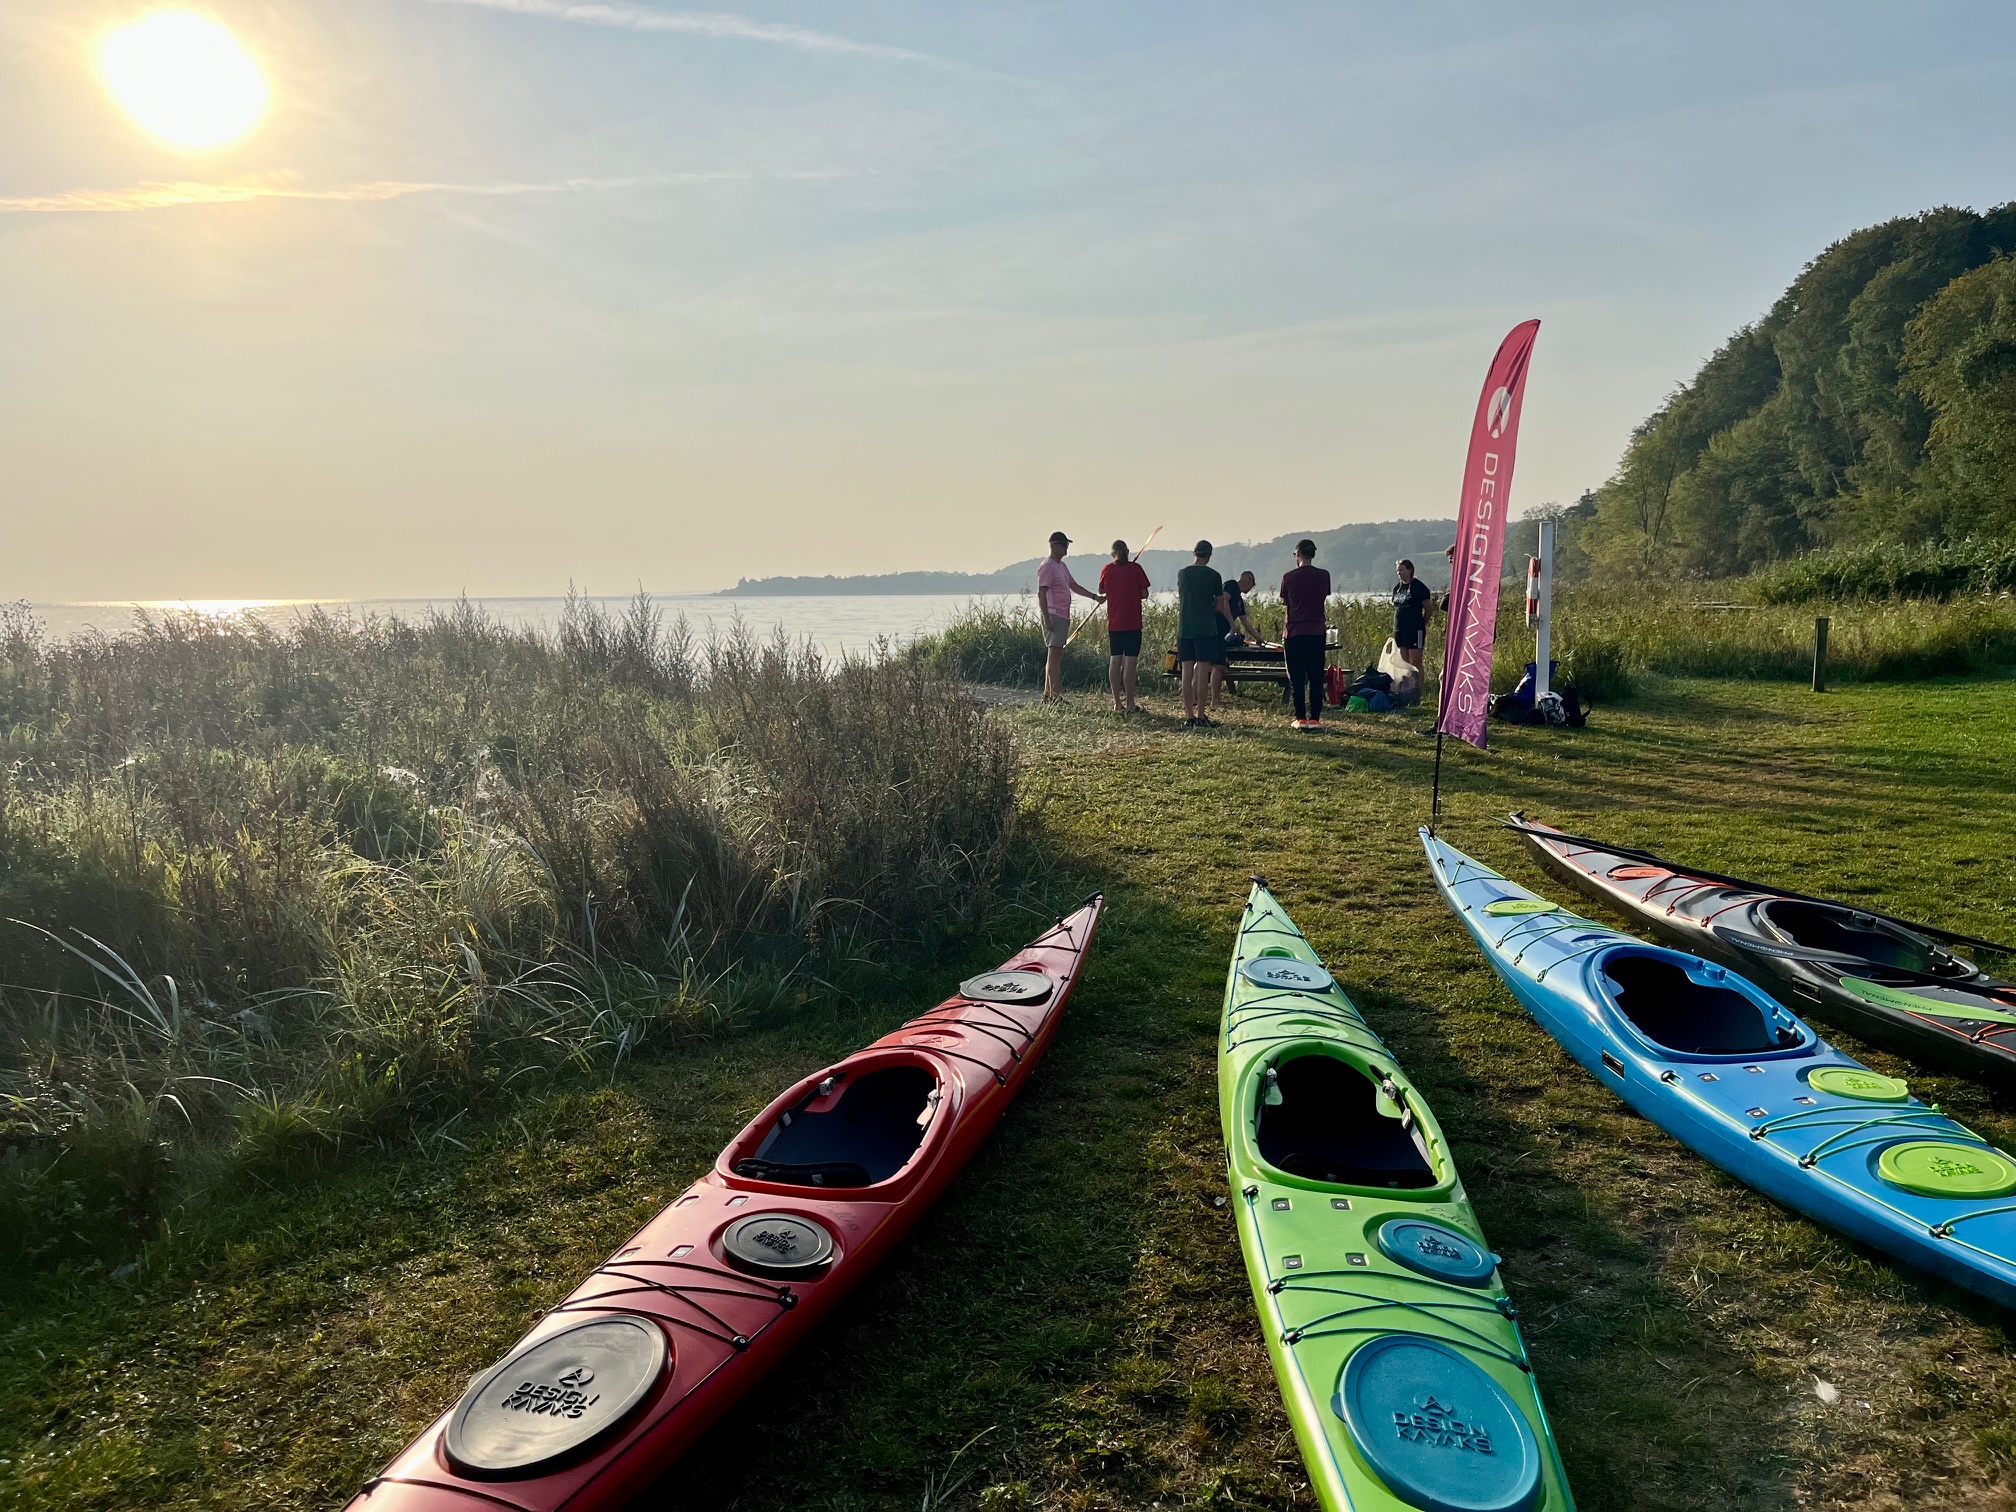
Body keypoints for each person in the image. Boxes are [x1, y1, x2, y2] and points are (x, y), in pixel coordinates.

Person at [1037, 530, 1103, 702]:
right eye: (1064, 544)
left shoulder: (1061, 567)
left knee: (1055, 656)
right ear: (1054, 546)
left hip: (1062, 615)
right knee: (1054, 655)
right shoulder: (1047, 567)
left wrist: (1094, 597)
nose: (1067, 548)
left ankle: (1047, 694)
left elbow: (1073, 585)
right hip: (1054, 615)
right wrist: (1046, 618)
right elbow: (1041, 594)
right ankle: (1055, 696)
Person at [1280, 539, 1331, 729]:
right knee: (1316, 676)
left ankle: (1300, 717)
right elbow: (1322, 597)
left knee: (1297, 677)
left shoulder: (1288, 577)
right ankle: (1315, 718)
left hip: (1294, 631)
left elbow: (1286, 603)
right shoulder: (1323, 576)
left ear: (1298, 554)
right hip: (1316, 631)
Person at [1175, 540, 1228, 727]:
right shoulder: (1214, 575)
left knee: (1186, 673)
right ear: (1209, 555)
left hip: (1185, 628)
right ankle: (1201, 715)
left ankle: (1188, 715)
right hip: (1205, 628)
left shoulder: (1183, 573)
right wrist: (1210, 606)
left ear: (1194, 553)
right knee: (1203, 672)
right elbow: (1220, 606)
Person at [1099, 539, 1151, 715]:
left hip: (1114, 623)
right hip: (1133, 623)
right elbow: (1144, 593)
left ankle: (1116, 702)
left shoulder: (1107, 570)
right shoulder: (1136, 569)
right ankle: (1130, 703)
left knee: (1115, 660)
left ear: (1112, 553)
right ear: (1127, 552)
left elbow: (1101, 590)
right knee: (1130, 663)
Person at [1211, 570, 1262, 708]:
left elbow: (1245, 621)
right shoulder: (1231, 585)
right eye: (1253, 584)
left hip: (1221, 634)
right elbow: (1224, 603)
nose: (1252, 588)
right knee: (1218, 666)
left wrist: (1258, 638)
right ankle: (1214, 700)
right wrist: (1232, 623)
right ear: (1249, 580)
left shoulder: (1239, 600)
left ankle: (1205, 697)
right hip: (1214, 631)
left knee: (1218, 665)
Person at [1392, 557, 1434, 673]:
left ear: (1410, 570)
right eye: (1397, 571)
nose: (1399, 573)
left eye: (1402, 570)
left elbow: (1428, 609)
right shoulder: (1397, 588)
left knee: (1415, 662)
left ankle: (1418, 688)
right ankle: (1408, 688)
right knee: (1404, 663)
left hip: (1415, 629)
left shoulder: (1419, 587)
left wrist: (1421, 623)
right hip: (1400, 629)